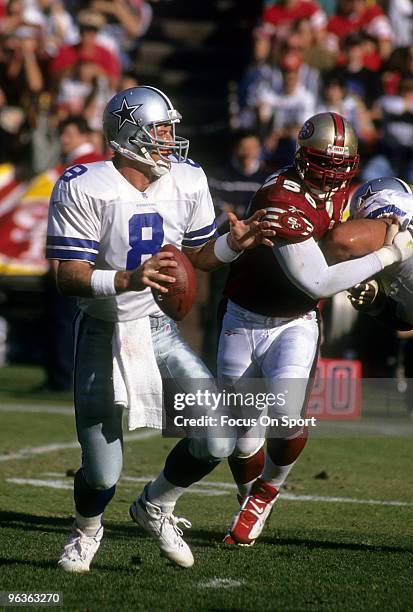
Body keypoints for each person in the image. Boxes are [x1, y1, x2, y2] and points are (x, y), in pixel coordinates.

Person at [46, 85, 274, 571]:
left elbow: (198, 259)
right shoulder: (84, 183)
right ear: (129, 134)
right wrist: (126, 279)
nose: (171, 140)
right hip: (102, 331)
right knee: (103, 472)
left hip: (157, 329)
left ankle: (156, 504)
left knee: (216, 437)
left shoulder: (186, 179)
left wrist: (236, 246)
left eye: (171, 129)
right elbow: (67, 276)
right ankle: (86, 531)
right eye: (161, 130)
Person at [216, 112, 413, 546]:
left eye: (341, 164)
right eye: (323, 161)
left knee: (286, 417)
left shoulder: (345, 193)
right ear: (302, 156)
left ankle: (263, 497)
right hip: (244, 316)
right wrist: (387, 255)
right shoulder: (280, 197)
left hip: (296, 322)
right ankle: (249, 496)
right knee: (240, 438)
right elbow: (317, 280)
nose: (333, 173)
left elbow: (336, 260)